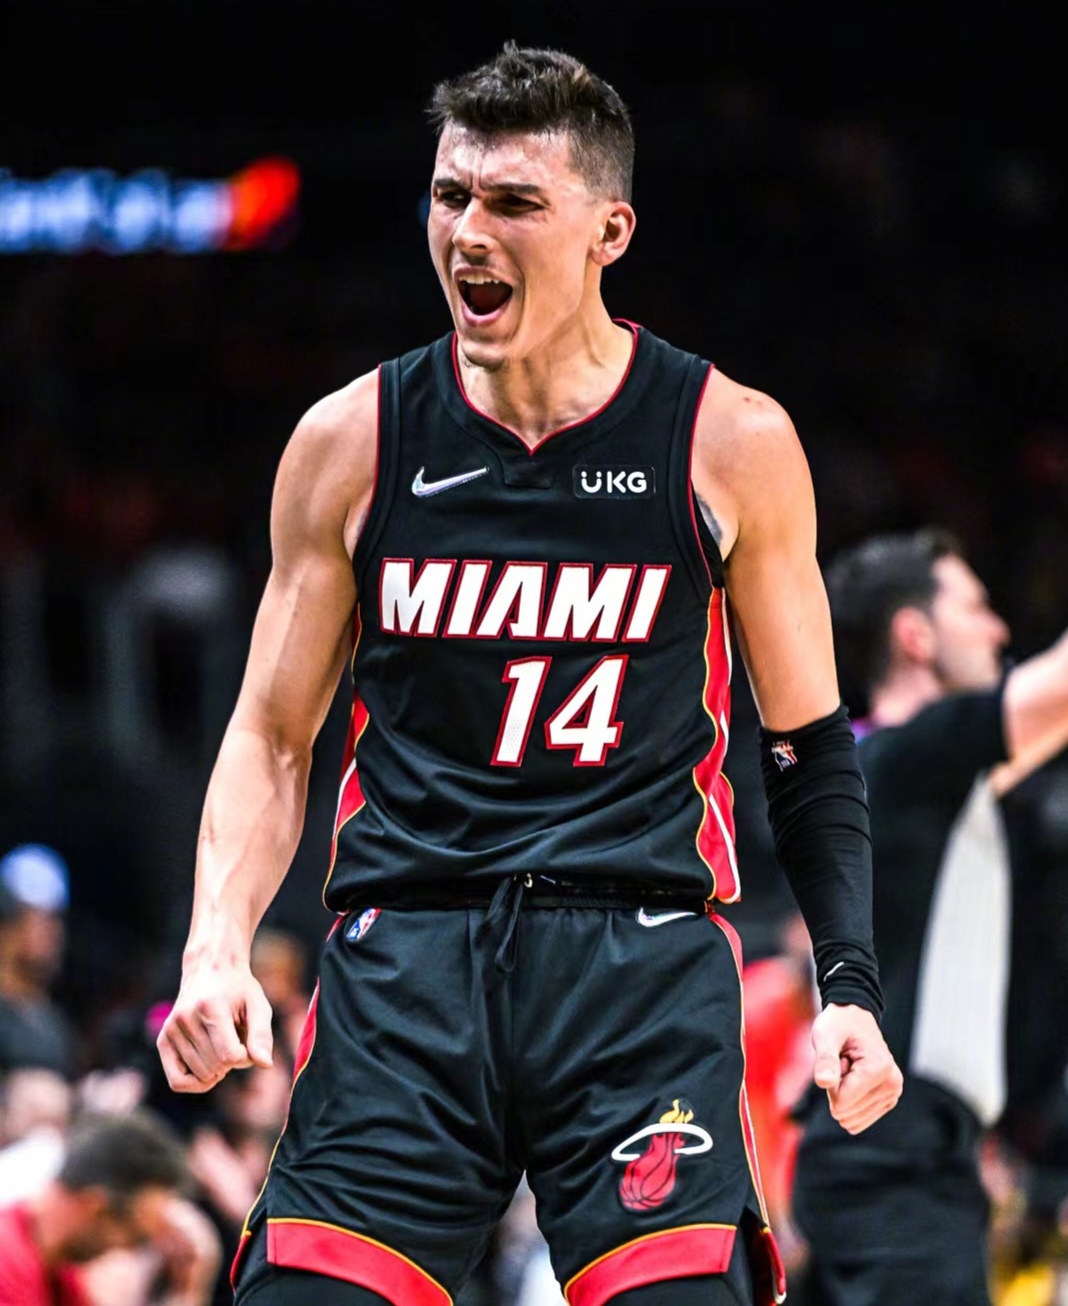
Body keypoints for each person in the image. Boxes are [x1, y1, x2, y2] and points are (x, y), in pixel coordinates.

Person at [157, 43, 902, 1306]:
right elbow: (273, 735)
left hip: (637, 965)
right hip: (409, 960)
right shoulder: (351, 440)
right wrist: (216, 945)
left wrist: (848, 983)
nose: (468, 233)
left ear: (610, 231)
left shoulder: (727, 439)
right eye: (451, 196)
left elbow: (807, 743)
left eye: (513, 203)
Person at [790, 528, 1068, 1305]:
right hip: (895, 1152)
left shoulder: (909, 778)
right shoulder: (909, 757)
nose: (999, 629)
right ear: (915, 636)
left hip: (895, 1150)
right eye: (975, 608)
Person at [0, 1108, 221, 1306]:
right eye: (137, 1238)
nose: (130, 1254)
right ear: (95, 1207)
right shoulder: (8, 1267)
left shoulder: (58, 1272)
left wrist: (187, 1291)